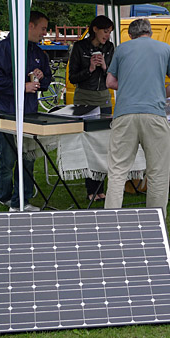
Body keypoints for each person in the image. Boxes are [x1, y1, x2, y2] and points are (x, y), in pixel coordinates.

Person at [104, 18, 170, 217]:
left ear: (130, 35)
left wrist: (131, 88)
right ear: (150, 32)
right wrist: (159, 93)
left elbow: (110, 82)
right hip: (155, 115)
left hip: (124, 114)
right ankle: (155, 221)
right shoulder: (165, 49)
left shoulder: (121, 49)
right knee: (157, 172)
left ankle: (110, 218)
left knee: (117, 171)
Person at [0, 11, 52, 212]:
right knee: (8, 158)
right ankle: (4, 196)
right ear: (30, 26)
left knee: (28, 157)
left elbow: (47, 81)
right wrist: (21, 87)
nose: (45, 33)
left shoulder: (38, 52)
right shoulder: (4, 49)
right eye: (42, 28)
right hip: (6, 111)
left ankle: (22, 201)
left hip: (29, 112)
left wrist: (41, 78)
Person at [68, 15, 115, 202]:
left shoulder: (110, 48)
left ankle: (101, 187)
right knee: (89, 142)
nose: (107, 35)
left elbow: (113, 75)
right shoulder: (80, 47)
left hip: (104, 98)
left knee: (104, 142)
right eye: (105, 31)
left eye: (110, 32)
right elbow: (72, 78)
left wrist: (104, 67)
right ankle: (92, 188)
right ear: (95, 29)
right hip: (85, 97)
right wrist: (89, 69)